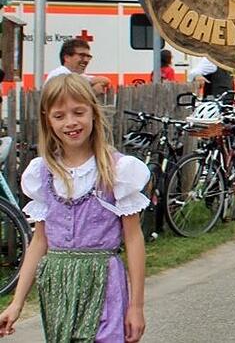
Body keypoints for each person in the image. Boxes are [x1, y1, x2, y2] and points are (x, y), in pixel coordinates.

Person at [0, 74, 149, 341]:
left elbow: (134, 238)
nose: (70, 122)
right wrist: (17, 303)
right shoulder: (42, 172)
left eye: (78, 112)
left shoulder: (117, 170)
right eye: (59, 116)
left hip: (104, 282)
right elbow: (39, 241)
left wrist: (136, 307)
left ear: (93, 112)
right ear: (48, 120)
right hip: (58, 287)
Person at [45, 38, 111, 94]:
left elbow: (106, 80)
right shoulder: (59, 74)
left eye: (88, 56)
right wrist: (93, 91)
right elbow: (69, 101)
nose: (86, 60)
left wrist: (92, 83)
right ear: (67, 57)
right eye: (81, 55)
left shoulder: (78, 76)